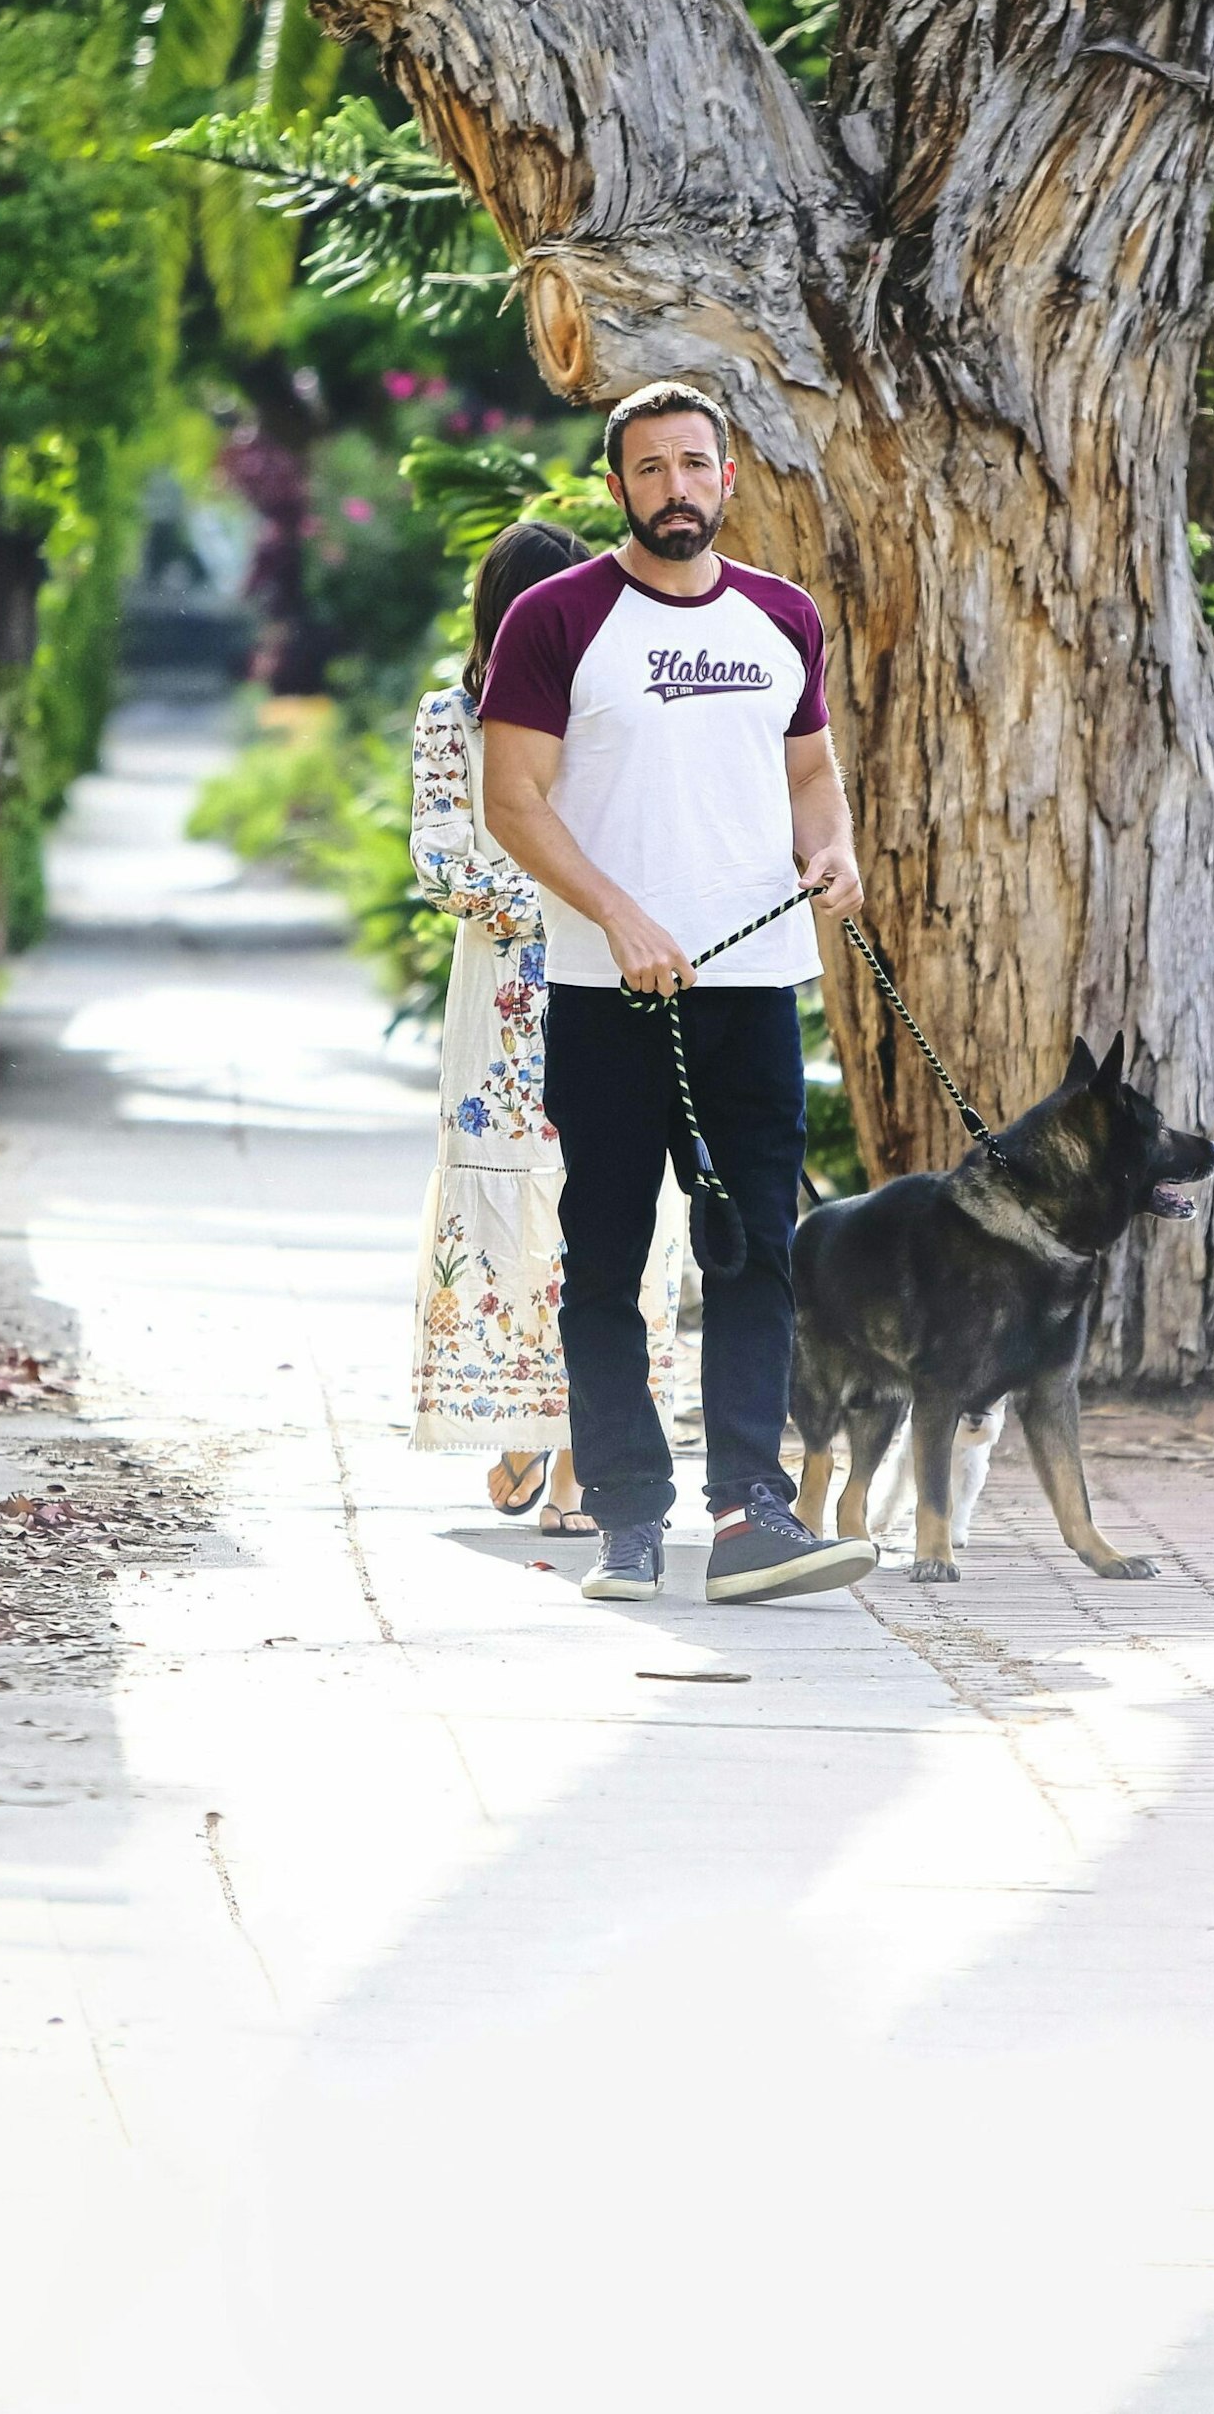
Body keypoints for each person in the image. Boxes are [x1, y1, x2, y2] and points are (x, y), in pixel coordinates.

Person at [481, 381, 878, 1604]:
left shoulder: (781, 616)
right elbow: (512, 800)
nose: (676, 489)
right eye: (649, 469)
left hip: (752, 987)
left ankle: (753, 1510)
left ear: (729, 478)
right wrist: (618, 914)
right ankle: (627, 1518)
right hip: (612, 993)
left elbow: (812, 769)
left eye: (694, 465)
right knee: (607, 1253)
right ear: (617, 488)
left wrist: (834, 846)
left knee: (758, 1249)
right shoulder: (556, 619)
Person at [410, 520, 684, 1533]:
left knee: (612, 1216)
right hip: (503, 1017)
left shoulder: (616, 720)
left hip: (613, 993)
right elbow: (441, 859)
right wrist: (564, 901)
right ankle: (523, 1418)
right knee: (509, 1223)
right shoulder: (455, 718)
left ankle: (579, 1459)